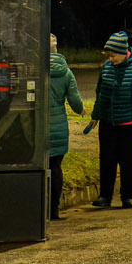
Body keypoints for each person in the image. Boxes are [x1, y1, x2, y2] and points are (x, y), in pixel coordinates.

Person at [88, 30, 132, 209]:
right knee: (107, 160)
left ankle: (127, 196)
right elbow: (100, 93)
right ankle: (105, 196)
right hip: (108, 122)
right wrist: (96, 115)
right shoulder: (106, 68)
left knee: (127, 160)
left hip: (130, 123)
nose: (111, 59)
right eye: (108, 56)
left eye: (113, 55)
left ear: (123, 52)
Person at [47, 33, 84, 219]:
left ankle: (39, 209)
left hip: (36, 128)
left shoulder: (35, 70)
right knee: (55, 167)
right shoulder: (66, 72)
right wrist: (82, 111)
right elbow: (75, 102)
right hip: (58, 127)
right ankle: (53, 210)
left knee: (38, 167)